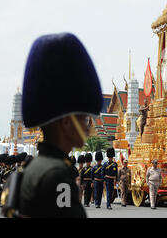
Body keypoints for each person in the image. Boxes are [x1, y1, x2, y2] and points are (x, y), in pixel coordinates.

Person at [10, 33, 102, 218]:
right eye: (84, 119)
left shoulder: (30, 169)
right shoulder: (57, 176)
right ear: (67, 123)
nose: (88, 128)